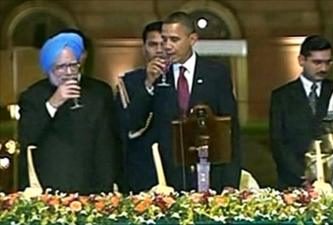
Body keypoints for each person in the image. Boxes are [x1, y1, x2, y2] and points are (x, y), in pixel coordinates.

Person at [125, 12, 241, 192]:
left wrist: (230, 182)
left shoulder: (216, 74)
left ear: (192, 39)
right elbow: (133, 122)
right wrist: (148, 84)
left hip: (208, 173)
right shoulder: (154, 75)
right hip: (165, 178)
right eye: (164, 40)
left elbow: (230, 129)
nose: (167, 46)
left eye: (174, 39)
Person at [18, 31, 121, 194]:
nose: (68, 72)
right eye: (61, 67)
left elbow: (109, 141)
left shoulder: (100, 92)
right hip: (51, 187)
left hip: (94, 185)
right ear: (48, 68)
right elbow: (27, 137)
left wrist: (109, 183)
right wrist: (54, 103)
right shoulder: (33, 96)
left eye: (73, 65)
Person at [270, 35, 333, 190]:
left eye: (328, 62)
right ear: (301, 60)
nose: (324, 68)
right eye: (317, 62)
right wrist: (303, 176)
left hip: (332, 183)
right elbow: (278, 143)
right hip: (292, 183)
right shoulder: (281, 96)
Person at [115, 21, 164, 193]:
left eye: (164, 43)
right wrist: (148, 84)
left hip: (179, 166)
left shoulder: (184, 79)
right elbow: (128, 124)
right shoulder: (129, 82)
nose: (159, 50)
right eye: (153, 44)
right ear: (144, 48)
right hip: (141, 169)